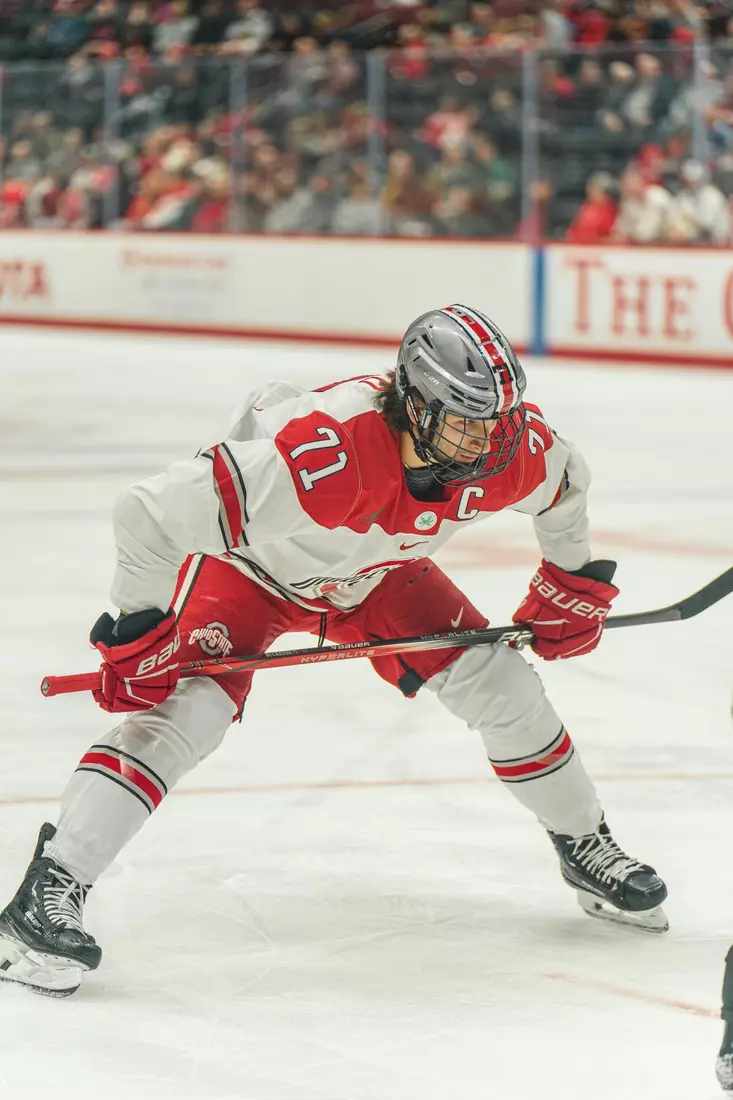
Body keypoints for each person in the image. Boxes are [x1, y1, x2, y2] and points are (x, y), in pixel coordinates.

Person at [0, 304, 669, 997]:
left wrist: (568, 580)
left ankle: (582, 842)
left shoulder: (505, 445)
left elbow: (563, 482)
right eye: (467, 418)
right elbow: (148, 512)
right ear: (414, 401)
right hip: (253, 574)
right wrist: (138, 634)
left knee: (504, 686)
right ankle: (48, 891)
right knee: (187, 712)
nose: (488, 441)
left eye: (496, 419)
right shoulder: (322, 456)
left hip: (379, 575)